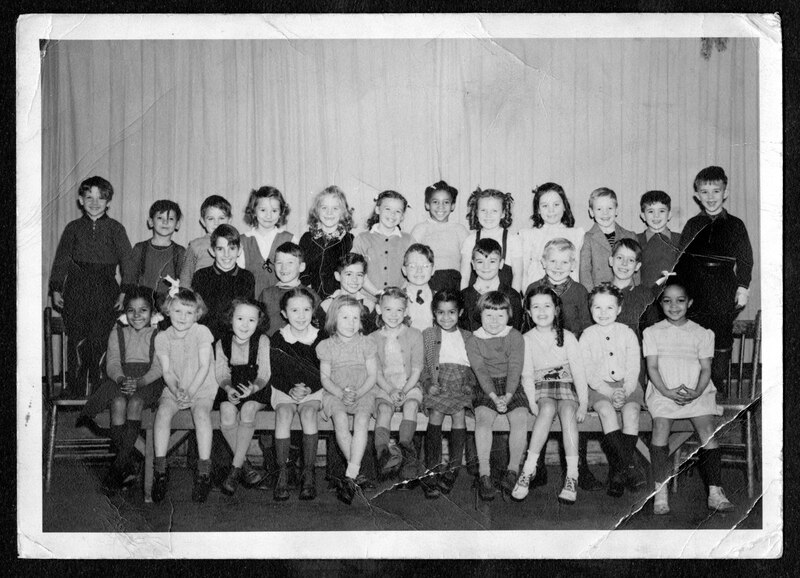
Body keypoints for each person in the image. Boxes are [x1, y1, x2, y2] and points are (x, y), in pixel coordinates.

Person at [644, 280, 733, 515]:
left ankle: (715, 491)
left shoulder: (702, 333)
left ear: (689, 303)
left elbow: (705, 369)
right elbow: (652, 368)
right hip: (663, 390)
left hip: (697, 389)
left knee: (706, 429)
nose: (674, 306)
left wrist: (696, 391)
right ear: (660, 303)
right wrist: (666, 391)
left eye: (680, 300)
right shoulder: (652, 332)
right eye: (667, 300)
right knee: (660, 425)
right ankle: (660, 490)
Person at [49, 176, 132, 397]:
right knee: (76, 337)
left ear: (108, 202)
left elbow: (128, 262)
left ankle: (100, 386)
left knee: (101, 338)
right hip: (76, 289)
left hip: (106, 289)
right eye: (89, 197)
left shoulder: (116, 229)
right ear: (80, 200)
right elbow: (62, 259)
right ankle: (75, 386)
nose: (95, 202)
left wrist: (124, 291)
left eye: (101, 197)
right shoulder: (73, 228)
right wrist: (56, 288)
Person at [676, 166, 754, 394]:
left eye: (716, 191)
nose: (710, 197)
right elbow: (683, 260)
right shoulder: (692, 224)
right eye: (705, 192)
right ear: (697, 196)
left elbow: (745, 258)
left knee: (721, 333)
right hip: (696, 286)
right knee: (696, 335)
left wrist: (743, 286)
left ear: (725, 193)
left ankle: (717, 385)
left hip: (724, 286)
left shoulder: (735, 224)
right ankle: (696, 385)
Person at [77, 287, 165, 489]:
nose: (137, 315)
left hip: (148, 381)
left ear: (152, 313)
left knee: (134, 403)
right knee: (117, 401)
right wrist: (121, 379)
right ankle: (127, 463)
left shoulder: (158, 335)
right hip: (122, 378)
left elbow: (159, 367)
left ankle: (116, 469)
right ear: (125, 312)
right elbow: (113, 362)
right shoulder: (117, 333)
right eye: (131, 310)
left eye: (143, 310)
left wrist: (141, 382)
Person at [512, 286, 588, 505]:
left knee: (567, 412)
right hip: (541, 386)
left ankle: (572, 475)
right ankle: (528, 469)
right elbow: (526, 374)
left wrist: (583, 403)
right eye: (535, 306)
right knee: (546, 409)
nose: (542, 311)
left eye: (547, 306)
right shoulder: (525, 339)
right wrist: (531, 402)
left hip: (566, 384)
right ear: (527, 311)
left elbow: (579, 372)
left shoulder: (568, 337)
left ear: (556, 310)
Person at [151, 288, 217, 503]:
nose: (183, 317)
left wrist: (190, 392)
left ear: (197, 314)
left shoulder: (201, 332)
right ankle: (160, 470)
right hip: (176, 388)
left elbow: (205, 366)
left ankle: (204, 472)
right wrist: (177, 390)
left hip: (201, 386)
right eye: (178, 311)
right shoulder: (162, 337)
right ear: (168, 310)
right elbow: (167, 371)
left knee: (201, 415)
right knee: (162, 413)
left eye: (189, 313)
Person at [579, 283, 646, 497]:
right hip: (598, 388)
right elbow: (587, 371)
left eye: (609, 308)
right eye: (597, 308)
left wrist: (625, 391)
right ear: (590, 310)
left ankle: (617, 472)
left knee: (631, 413)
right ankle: (628, 468)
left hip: (628, 385)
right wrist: (609, 392)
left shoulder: (627, 333)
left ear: (619, 309)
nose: (603, 313)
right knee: (606, 412)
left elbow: (634, 366)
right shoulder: (587, 335)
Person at [465, 291, 529, 501]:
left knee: (520, 419)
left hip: (511, 384)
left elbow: (515, 367)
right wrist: (494, 397)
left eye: (500, 316)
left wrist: (508, 396)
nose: (494, 321)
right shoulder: (474, 340)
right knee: (483, 421)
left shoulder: (514, 336)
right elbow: (481, 371)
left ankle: (512, 471)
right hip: (486, 387)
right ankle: (485, 475)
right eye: (489, 315)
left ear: (508, 316)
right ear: (480, 315)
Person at [317, 295, 379, 505]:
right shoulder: (326, 345)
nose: (351, 323)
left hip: (363, 391)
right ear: (334, 319)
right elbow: (324, 378)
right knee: (340, 420)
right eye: (345, 318)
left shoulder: (366, 343)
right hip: (335, 393)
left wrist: (359, 392)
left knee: (362, 421)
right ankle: (356, 471)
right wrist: (340, 392)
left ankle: (350, 474)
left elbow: (372, 375)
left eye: (355, 318)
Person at [269, 287, 327, 501]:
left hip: (315, 389)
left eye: (306, 309)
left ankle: (308, 474)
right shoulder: (278, 338)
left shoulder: (321, 337)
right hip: (284, 388)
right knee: (284, 414)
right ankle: (282, 474)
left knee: (309, 414)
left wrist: (309, 389)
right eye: (294, 310)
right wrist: (290, 389)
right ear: (284, 313)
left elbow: (325, 371)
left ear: (313, 311)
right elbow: (273, 372)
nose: (301, 316)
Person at [420, 290, 476, 499]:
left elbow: (473, 367)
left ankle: (453, 468)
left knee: (459, 413)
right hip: (438, 382)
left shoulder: (468, 337)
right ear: (434, 313)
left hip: (460, 383)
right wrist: (427, 384)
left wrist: (470, 385)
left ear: (460, 313)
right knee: (435, 413)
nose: (446, 317)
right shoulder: (428, 334)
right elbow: (423, 365)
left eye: (451, 312)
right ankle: (432, 469)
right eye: (441, 312)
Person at [215, 299, 272, 497]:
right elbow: (221, 373)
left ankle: (234, 471)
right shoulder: (222, 343)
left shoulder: (262, 340)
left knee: (247, 410)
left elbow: (265, 373)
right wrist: (228, 388)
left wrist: (254, 388)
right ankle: (245, 467)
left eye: (251, 320)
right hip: (233, 387)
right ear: (231, 319)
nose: (245, 325)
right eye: (240, 318)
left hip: (257, 389)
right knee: (226, 411)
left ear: (259, 322)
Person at [370, 287, 425, 484]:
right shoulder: (373, 339)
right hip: (384, 387)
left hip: (409, 386)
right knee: (384, 409)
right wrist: (391, 390)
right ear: (378, 309)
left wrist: (403, 390)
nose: (393, 315)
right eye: (388, 310)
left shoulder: (415, 335)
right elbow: (375, 372)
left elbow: (417, 369)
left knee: (411, 405)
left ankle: (406, 452)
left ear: (406, 311)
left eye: (399, 310)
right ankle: (383, 456)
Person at [191, 224, 255, 341]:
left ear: (239, 250)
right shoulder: (201, 276)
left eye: (232, 248)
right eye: (220, 249)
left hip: (236, 339)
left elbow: (247, 313)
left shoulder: (247, 277)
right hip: (205, 338)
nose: (227, 255)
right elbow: (197, 313)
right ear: (212, 251)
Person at [519, 182, 584, 290]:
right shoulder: (529, 235)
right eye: (545, 206)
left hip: (567, 294)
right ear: (538, 210)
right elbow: (524, 271)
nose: (551, 210)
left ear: (564, 206)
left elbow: (578, 270)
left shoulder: (576, 234)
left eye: (556, 205)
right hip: (538, 294)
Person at [124, 200, 186, 311]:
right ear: (151, 222)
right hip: (143, 303)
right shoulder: (140, 248)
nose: (165, 222)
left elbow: (184, 282)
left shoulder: (180, 251)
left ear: (177, 224)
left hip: (169, 305)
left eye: (170, 219)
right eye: (160, 218)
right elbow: (129, 277)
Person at [410, 180, 469, 293]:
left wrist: (463, 290)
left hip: (454, 283)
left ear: (453, 206)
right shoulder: (420, 229)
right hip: (427, 283)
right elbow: (411, 260)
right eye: (435, 202)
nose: (440, 206)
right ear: (427, 204)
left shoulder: (460, 230)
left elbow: (467, 264)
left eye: (446, 202)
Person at [460, 187, 523, 293]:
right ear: (476, 212)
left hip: (503, 298)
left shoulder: (513, 240)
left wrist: (513, 300)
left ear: (503, 213)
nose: (488, 215)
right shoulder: (470, 240)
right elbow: (465, 276)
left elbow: (518, 275)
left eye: (494, 211)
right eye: (483, 210)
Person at [352, 190, 413, 295]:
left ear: (402, 216)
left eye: (398, 211)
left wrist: (400, 294)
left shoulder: (409, 240)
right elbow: (356, 271)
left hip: (398, 300)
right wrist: (377, 293)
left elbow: (413, 270)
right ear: (377, 209)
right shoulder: (362, 239)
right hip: (368, 298)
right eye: (387, 209)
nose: (392, 214)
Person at [299, 185, 356, 299]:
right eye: (324, 207)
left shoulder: (349, 240)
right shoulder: (307, 238)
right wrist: (307, 290)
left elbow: (350, 272)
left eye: (335, 208)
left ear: (343, 212)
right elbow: (300, 268)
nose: (329, 213)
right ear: (316, 210)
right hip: (309, 296)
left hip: (338, 297)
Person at [239, 185, 295, 298]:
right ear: (254, 211)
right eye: (263, 210)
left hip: (282, 302)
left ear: (281, 213)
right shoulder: (243, 240)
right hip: (251, 302)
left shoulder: (290, 239)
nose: (268, 216)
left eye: (274, 210)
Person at [636, 190, 681, 329]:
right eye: (650, 211)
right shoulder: (636, 240)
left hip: (675, 303)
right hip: (646, 305)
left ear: (669, 215)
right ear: (643, 216)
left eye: (661, 211)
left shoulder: (680, 240)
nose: (656, 216)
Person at [579, 187, 637, 291]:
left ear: (616, 211)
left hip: (627, 291)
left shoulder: (630, 236)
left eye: (609, 208)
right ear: (591, 212)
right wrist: (591, 296)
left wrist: (636, 291)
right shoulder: (588, 238)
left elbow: (637, 270)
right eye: (599, 209)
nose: (605, 213)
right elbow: (585, 272)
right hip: (601, 294)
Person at [460, 238, 523, 331]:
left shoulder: (512, 296)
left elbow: (516, 331)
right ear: (473, 264)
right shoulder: (464, 296)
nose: (486, 267)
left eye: (492, 261)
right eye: (480, 261)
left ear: (501, 263)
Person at [258, 241, 320, 337]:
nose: (284, 268)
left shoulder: (310, 294)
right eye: (279, 263)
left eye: (290, 263)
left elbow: (317, 324)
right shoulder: (266, 294)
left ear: (301, 267)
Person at [178, 195, 232, 289]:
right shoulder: (195, 246)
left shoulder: (235, 244)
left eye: (221, 218)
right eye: (211, 219)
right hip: (200, 297)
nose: (216, 223)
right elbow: (186, 277)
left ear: (229, 220)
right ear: (203, 221)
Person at [318, 252, 378, 334]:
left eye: (359, 275)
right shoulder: (327, 305)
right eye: (349, 274)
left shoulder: (369, 305)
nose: (354, 279)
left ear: (364, 278)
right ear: (337, 276)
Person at [402, 243, 436, 331]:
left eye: (425, 266)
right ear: (404, 270)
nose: (419, 270)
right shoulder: (399, 297)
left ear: (433, 270)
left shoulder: (438, 297)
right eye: (412, 266)